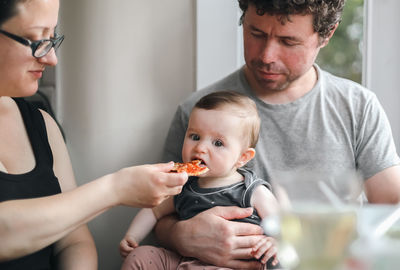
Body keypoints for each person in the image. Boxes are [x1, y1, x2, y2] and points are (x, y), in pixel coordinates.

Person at [155, 0, 400, 269]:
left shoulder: (357, 107)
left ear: (327, 34)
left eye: (288, 41)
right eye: (256, 34)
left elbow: (391, 208)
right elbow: (161, 210)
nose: (267, 56)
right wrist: (181, 236)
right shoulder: (197, 113)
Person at [0, 0, 187, 269]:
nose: (51, 58)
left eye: (51, 38)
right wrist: (115, 189)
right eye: (33, 39)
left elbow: (74, 241)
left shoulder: (42, 125)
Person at [120, 91, 280, 269]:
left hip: (232, 266)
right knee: (140, 256)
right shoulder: (181, 183)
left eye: (218, 143)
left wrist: (275, 242)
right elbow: (153, 211)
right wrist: (132, 236)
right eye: (195, 137)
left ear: (243, 157)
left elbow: (285, 225)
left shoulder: (252, 191)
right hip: (182, 260)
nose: (201, 148)